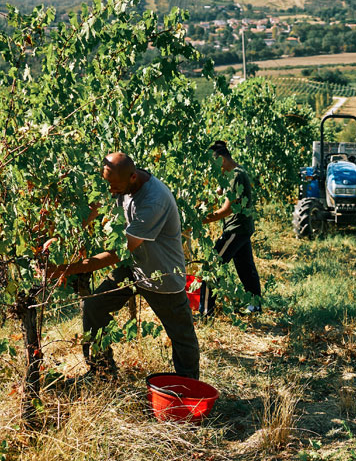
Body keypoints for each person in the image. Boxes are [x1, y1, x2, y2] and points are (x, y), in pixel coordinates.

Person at [45, 153, 200, 380]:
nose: (111, 191)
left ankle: (189, 389)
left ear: (133, 177)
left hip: (162, 277)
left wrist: (65, 269)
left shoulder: (154, 201)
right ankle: (102, 372)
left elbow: (118, 252)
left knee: (181, 336)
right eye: (108, 185)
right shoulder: (121, 182)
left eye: (115, 187)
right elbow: (94, 207)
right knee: (94, 307)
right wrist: (62, 236)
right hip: (134, 268)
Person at [202, 141, 261, 313]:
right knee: (245, 268)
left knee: (211, 267)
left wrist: (200, 221)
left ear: (221, 159)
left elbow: (226, 210)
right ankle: (255, 306)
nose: (213, 169)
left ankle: (206, 312)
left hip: (236, 229)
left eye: (214, 164)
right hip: (242, 228)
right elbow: (220, 193)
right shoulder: (233, 173)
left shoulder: (236, 175)